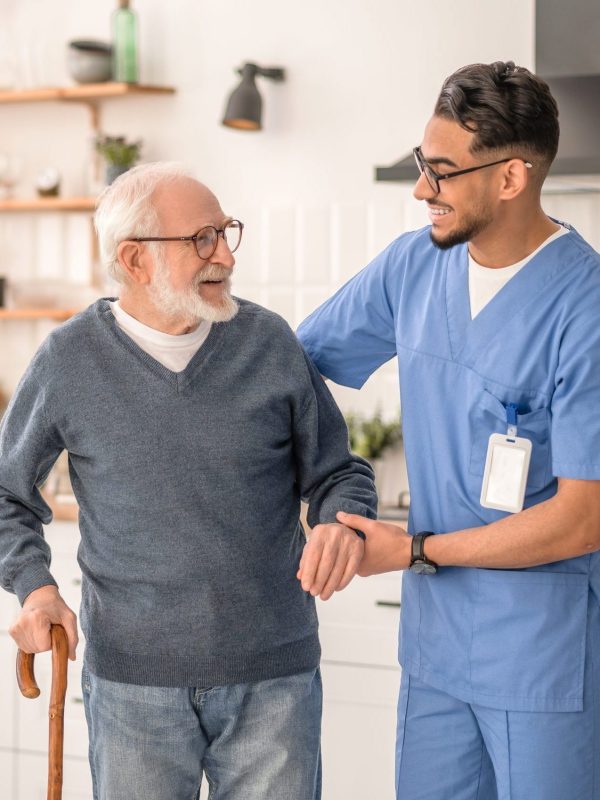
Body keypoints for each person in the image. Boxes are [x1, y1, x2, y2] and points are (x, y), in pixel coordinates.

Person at [0, 162, 377, 800]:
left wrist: (341, 521)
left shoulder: (268, 342)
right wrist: (35, 590)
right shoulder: (68, 360)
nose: (225, 255)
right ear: (135, 259)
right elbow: (8, 496)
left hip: (273, 681)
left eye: (226, 233)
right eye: (202, 238)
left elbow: (338, 471)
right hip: (131, 687)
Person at [297, 61, 600, 800]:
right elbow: (291, 369)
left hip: (540, 657)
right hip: (436, 652)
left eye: (441, 172)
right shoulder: (412, 269)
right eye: (420, 165)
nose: (421, 190)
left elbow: (583, 517)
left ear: (510, 178)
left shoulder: (585, 308)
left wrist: (417, 548)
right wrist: (335, 493)